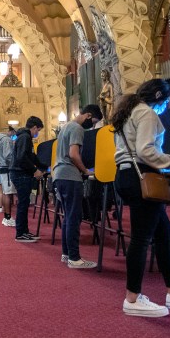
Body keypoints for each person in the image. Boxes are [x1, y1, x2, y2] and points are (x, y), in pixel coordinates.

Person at [110, 79, 170, 317]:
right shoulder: (147, 114)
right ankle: (132, 298)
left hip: (125, 176)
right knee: (141, 238)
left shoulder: (127, 112)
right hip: (142, 177)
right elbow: (146, 150)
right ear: (161, 98)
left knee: (164, 233)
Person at [53, 104, 103, 269]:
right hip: (70, 175)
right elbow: (74, 154)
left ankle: (66, 254)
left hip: (59, 174)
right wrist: (86, 170)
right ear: (88, 115)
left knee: (68, 216)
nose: (93, 126)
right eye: (94, 121)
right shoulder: (77, 129)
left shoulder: (65, 126)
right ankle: (75, 258)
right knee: (74, 216)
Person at [9, 116, 44, 243]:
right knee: (23, 204)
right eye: (38, 130)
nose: (37, 133)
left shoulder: (24, 137)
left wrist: (42, 166)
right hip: (20, 173)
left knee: (24, 203)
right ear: (34, 127)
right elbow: (22, 157)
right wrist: (35, 170)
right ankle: (20, 233)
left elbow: (31, 156)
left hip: (20, 173)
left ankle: (24, 232)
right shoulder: (25, 137)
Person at [0, 126, 17, 228]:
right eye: (14, 133)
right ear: (11, 131)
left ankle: (6, 217)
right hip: (7, 168)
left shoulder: (1, 139)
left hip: (3, 168)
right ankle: (8, 218)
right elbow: (8, 155)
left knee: (5, 193)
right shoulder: (7, 140)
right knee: (8, 193)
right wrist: (14, 164)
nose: (15, 136)